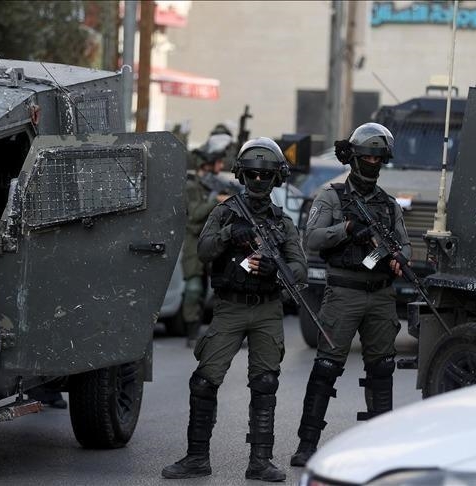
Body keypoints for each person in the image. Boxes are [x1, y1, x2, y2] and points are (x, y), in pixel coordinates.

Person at [162, 137, 307, 482]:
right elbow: (204, 250)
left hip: (267, 308)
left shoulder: (282, 222)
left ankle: (260, 460)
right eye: (252, 173)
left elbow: (299, 268)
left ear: (276, 178)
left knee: (265, 382)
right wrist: (229, 232)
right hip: (230, 307)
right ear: (241, 174)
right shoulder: (224, 212)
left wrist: (274, 269)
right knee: (204, 381)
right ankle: (197, 458)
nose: (258, 180)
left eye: (265, 174)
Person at [290, 122, 411, 467]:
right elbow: (312, 238)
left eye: (378, 158)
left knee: (382, 369)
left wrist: (397, 258)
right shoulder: (331, 196)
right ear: (354, 158)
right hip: (344, 292)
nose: (372, 163)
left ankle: (380, 447)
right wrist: (345, 228)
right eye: (367, 157)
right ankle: (307, 444)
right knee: (326, 367)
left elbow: (404, 245)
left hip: (381, 294)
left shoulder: (389, 205)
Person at [182, 133, 237, 347]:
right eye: (218, 162)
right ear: (208, 163)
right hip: (194, 246)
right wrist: (216, 201)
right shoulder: (192, 187)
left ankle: (224, 331)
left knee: (222, 288)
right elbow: (194, 217)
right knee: (194, 289)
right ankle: (192, 333)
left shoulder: (218, 184)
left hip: (215, 243)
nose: (221, 166)